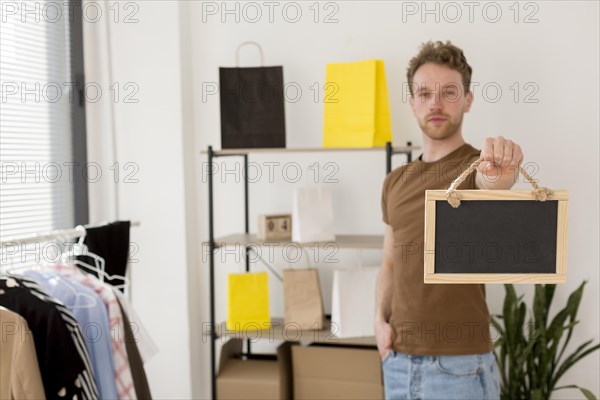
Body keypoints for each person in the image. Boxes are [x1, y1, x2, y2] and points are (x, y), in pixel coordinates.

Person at [375, 41, 522, 400]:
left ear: (468, 100)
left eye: (448, 92)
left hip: (459, 368)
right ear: (411, 103)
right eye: (424, 93)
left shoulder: (477, 167)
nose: (435, 103)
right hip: (397, 362)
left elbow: (494, 182)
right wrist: (379, 322)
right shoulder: (395, 181)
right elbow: (390, 262)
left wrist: (501, 170)